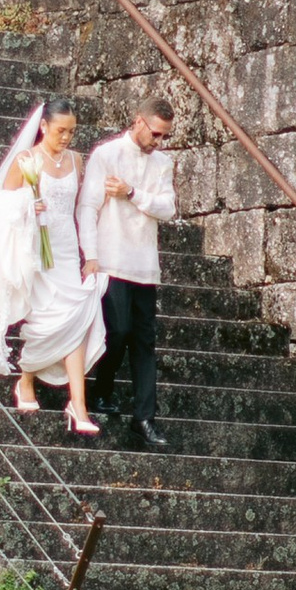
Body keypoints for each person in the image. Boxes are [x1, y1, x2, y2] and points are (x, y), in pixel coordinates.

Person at [0, 101, 105, 436]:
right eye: (60, 131)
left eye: (71, 131)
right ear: (43, 128)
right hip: (37, 251)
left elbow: (80, 208)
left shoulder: (76, 161)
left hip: (67, 250)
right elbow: (0, 209)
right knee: (43, 322)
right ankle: (25, 381)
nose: (67, 137)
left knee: (77, 318)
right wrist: (29, 203)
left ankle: (78, 405)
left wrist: (90, 253)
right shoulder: (26, 161)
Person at [78, 94, 177, 449]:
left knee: (144, 342)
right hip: (111, 258)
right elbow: (88, 206)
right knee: (116, 331)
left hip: (145, 264)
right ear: (138, 122)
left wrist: (132, 192)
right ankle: (101, 389)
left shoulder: (162, 163)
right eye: (155, 133)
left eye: (164, 136)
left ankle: (145, 418)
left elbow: (168, 208)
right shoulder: (107, 155)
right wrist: (90, 255)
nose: (158, 141)